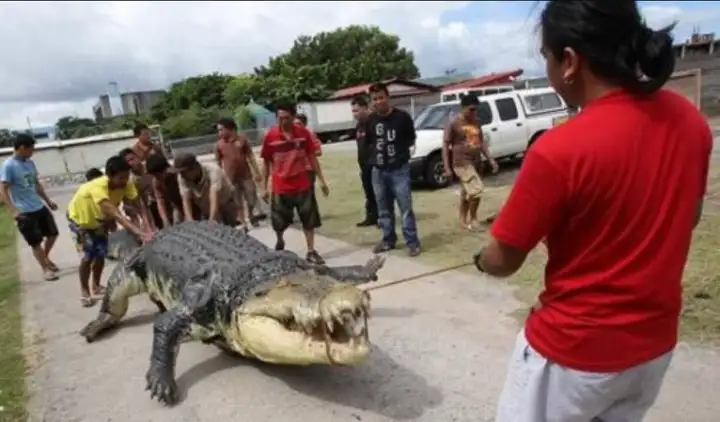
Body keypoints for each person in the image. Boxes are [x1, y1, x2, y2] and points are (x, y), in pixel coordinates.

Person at [472, 2, 712, 421]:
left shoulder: (558, 150)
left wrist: (480, 259)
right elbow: (687, 218)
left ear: (569, 61)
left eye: (546, 57)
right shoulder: (690, 122)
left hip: (572, 356)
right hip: (652, 348)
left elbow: (502, 261)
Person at [67, 155, 155, 307]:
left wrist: (148, 227)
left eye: (127, 176)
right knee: (88, 257)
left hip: (99, 221)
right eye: (121, 178)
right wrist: (141, 233)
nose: (124, 181)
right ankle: (84, 290)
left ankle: (96, 285)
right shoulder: (97, 187)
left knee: (101, 254)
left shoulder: (126, 183)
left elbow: (139, 207)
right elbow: (117, 215)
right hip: (80, 222)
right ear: (109, 175)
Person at [261, 103, 329, 264]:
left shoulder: (303, 134)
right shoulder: (270, 136)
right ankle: (280, 239)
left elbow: (312, 157)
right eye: (280, 118)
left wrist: (321, 180)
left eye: (286, 118)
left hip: (302, 184)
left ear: (293, 117)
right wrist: (263, 187)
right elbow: (265, 162)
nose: (283, 121)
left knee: (308, 219)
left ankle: (311, 251)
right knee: (278, 221)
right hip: (280, 186)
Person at [365, 82, 421, 256]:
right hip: (379, 171)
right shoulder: (370, 120)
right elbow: (368, 143)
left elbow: (411, 139)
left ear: (388, 98)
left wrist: (400, 154)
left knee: (405, 208)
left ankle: (412, 242)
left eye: (381, 97)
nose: (378, 101)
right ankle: (388, 239)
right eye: (374, 99)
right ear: (371, 102)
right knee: (383, 209)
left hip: (399, 170)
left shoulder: (402, 117)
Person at [0, 134, 60, 281]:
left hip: (39, 206)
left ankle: (44, 258)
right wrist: (13, 210)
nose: (33, 152)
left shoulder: (30, 163)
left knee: (53, 234)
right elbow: (3, 189)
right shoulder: (8, 166)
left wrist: (48, 201)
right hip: (24, 211)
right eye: (31, 149)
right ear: (21, 148)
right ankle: (45, 269)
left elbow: (36, 184)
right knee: (35, 242)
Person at [442, 94, 499, 231]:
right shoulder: (453, 123)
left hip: (476, 161)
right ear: (463, 108)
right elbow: (445, 145)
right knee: (476, 190)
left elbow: (481, 141)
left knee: (466, 192)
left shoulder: (476, 121)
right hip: (461, 162)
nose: (474, 112)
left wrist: (490, 159)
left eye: (475, 110)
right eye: (471, 109)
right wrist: (447, 167)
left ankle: (462, 219)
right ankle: (473, 220)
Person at [214, 117, 264, 228]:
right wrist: (221, 179)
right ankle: (243, 222)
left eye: (221, 130)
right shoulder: (218, 145)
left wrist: (257, 172)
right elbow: (217, 163)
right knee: (237, 202)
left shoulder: (242, 139)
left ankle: (251, 215)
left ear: (229, 129)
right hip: (230, 179)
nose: (220, 133)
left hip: (246, 175)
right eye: (218, 130)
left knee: (251, 197)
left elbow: (250, 156)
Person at [173, 152, 240, 227]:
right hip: (206, 207)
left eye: (183, 172)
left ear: (194, 167)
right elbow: (186, 199)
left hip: (225, 203)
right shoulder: (182, 177)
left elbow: (214, 195)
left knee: (229, 228)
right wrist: (190, 220)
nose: (181, 175)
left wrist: (212, 220)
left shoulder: (213, 170)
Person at [350, 95, 378, 227]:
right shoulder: (359, 126)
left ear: (365, 108)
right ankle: (371, 217)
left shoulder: (374, 122)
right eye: (353, 111)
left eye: (356, 110)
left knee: (379, 193)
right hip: (364, 166)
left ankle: (382, 219)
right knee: (369, 193)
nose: (354, 114)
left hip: (375, 165)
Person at [119, 148, 159, 230]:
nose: (131, 163)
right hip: (148, 206)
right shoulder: (131, 180)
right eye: (128, 162)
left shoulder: (150, 166)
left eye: (132, 159)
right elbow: (140, 204)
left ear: (138, 157)